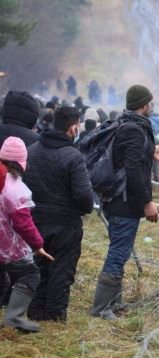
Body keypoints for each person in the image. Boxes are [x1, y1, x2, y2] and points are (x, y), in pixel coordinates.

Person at [90, 85, 159, 320]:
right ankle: (101, 308)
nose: (152, 105)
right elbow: (133, 170)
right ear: (144, 104)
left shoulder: (126, 125)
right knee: (118, 253)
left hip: (118, 200)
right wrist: (147, 202)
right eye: (150, 102)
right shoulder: (134, 130)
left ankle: (113, 302)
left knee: (120, 251)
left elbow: (130, 159)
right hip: (124, 202)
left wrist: (151, 153)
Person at [24, 107, 94, 321]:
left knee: (38, 268)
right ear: (73, 127)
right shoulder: (73, 157)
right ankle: (54, 316)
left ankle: (34, 311)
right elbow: (84, 196)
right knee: (61, 270)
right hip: (66, 225)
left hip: (35, 221)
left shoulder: (32, 150)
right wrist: (85, 208)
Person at [0, 137, 54, 332]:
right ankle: (14, 317)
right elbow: (23, 223)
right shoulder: (15, 188)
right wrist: (38, 244)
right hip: (7, 245)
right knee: (30, 274)